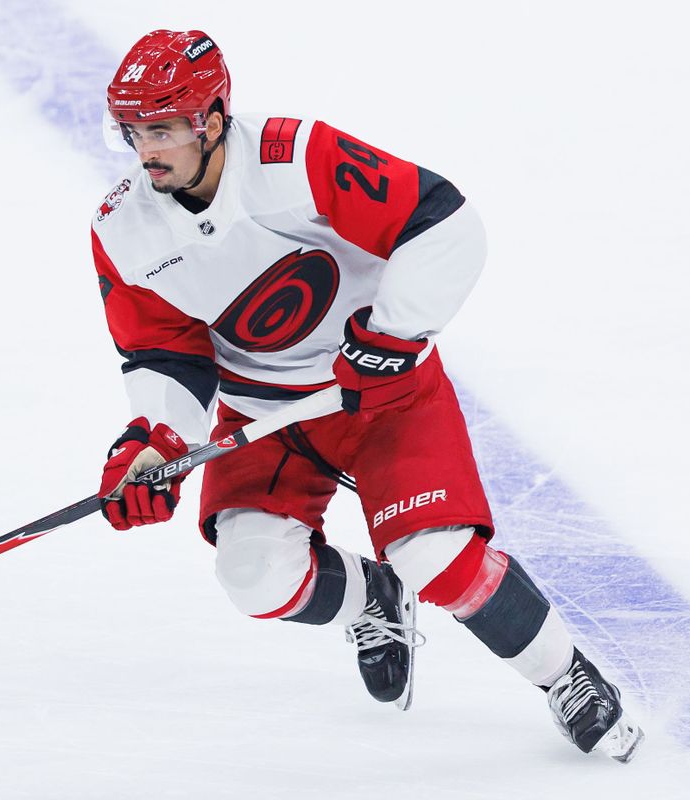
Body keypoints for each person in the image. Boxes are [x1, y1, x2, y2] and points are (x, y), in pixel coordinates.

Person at [91, 29, 643, 762]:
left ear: (211, 120)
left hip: (387, 394)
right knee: (253, 577)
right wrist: (157, 440)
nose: (144, 149)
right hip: (266, 414)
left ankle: (562, 674)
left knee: (439, 559)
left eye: (159, 129)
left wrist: (392, 334)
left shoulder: (297, 158)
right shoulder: (121, 226)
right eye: (132, 131)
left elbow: (443, 222)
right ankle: (371, 599)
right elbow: (162, 349)